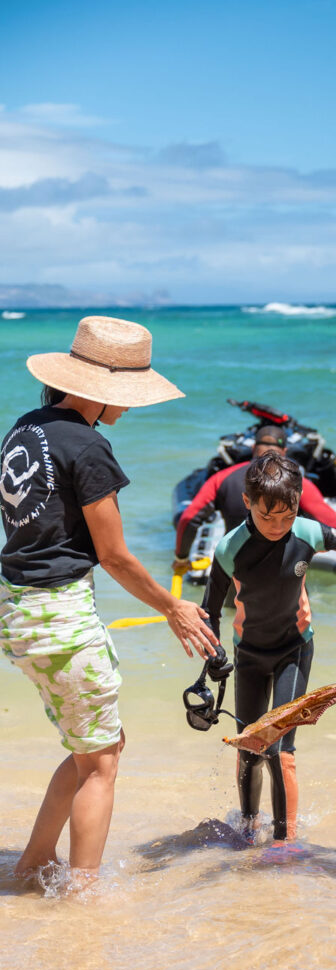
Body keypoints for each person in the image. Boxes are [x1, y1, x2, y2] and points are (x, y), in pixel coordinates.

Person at [0, 315, 218, 888]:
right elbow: (114, 555)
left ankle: (31, 865)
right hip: (62, 615)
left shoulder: (27, 428)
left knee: (91, 749)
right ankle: (83, 894)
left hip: (18, 613)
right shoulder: (88, 446)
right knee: (102, 763)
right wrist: (172, 606)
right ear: (103, 389)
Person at [198, 452, 336, 845]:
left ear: (298, 503)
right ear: (247, 503)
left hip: (294, 649)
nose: (277, 526)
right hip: (249, 654)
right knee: (250, 746)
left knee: (280, 749)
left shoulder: (307, 533)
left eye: (286, 517)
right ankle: (248, 828)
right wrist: (213, 655)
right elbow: (209, 613)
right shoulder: (229, 550)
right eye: (267, 517)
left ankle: (284, 844)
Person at [173, 423, 336, 569]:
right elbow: (328, 520)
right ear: (285, 450)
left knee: (231, 612)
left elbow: (189, 518)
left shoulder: (221, 478)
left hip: (235, 569)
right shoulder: (296, 481)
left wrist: (181, 559)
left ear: (253, 448)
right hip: (283, 572)